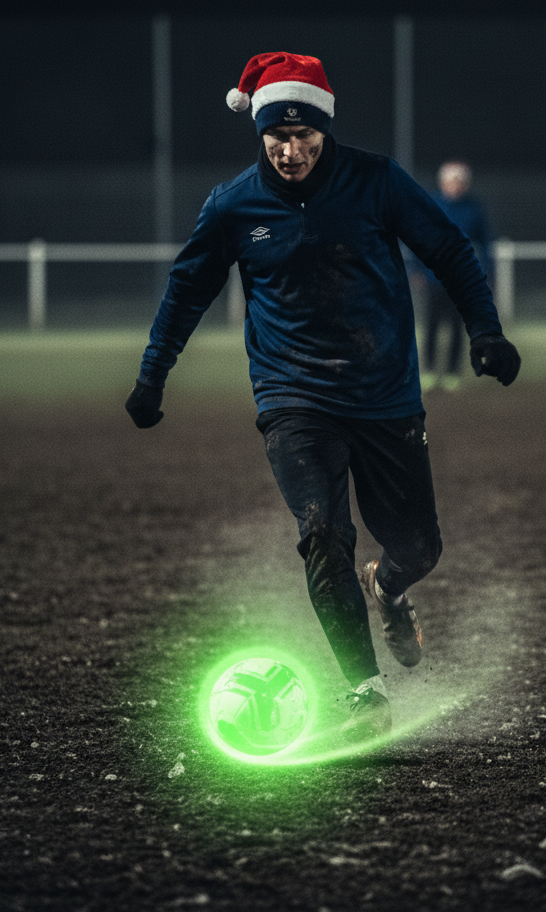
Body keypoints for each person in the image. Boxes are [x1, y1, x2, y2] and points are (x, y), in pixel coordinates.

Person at [124, 53, 520, 743]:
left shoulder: (376, 181)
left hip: (385, 394)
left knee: (420, 547)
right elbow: (187, 292)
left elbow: (449, 250)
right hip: (293, 395)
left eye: (305, 136)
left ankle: (389, 586)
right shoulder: (233, 205)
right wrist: (152, 376)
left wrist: (484, 331)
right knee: (321, 532)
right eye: (278, 136)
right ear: (261, 132)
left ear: (325, 130)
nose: (291, 149)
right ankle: (365, 693)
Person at [418, 161, 495, 391]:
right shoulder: (430, 204)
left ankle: (452, 373)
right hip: (434, 276)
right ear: (443, 182)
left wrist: (487, 273)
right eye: (452, 180)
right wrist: (416, 269)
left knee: (456, 327)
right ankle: (430, 372)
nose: (456, 185)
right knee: (431, 326)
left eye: (461, 181)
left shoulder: (474, 208)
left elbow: (486, 242)